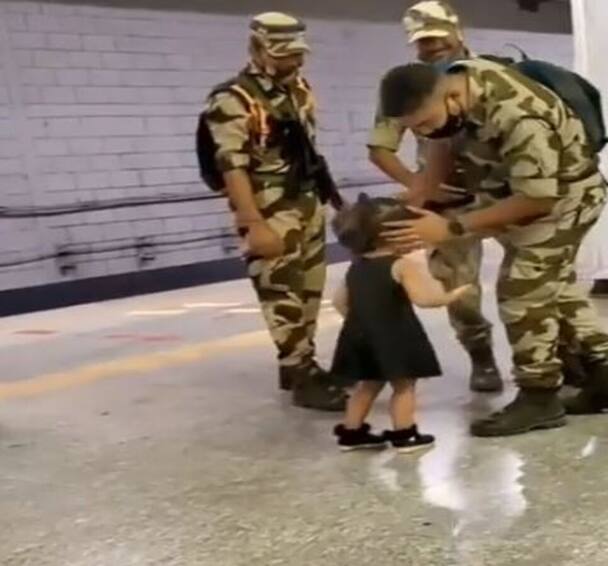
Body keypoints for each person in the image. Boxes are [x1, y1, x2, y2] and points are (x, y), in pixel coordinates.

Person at [378, 62, 608, 437]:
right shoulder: (453, 90)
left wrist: (452, 227)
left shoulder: (519, 115)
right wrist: (424, 191)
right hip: (513, 193)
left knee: (522, 290)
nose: (422, 132)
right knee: (556, 288)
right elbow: (442, 140)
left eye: (424, 122)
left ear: (453, 97)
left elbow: (539, 200)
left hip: (565, 200)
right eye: (414, 128)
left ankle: (540, 397)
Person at [204, 12, 345, 411]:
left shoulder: (299, 89)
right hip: (268, 208)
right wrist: (252, 223)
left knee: (309, 291)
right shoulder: (232, 98)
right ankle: (301, 373)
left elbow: (305, 148)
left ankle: (299, 362)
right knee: (280, 291)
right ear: (257, 49)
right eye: (283, 55)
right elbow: (231, 165)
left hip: (305, 201)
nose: (294, 62)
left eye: (298, 54)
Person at [367, 1, 505, 393]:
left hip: (502, 193)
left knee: (533, 280)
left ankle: (562, 355)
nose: (431, 47)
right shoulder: (409, 87)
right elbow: (380, 148)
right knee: (459, 291)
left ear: (457, 31)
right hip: (449, 203)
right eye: (422, 42)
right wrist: (420, 184)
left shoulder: (490, 74)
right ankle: (482, 357)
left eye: (436, 37)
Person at [330, 194, 471, 453]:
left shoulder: (356, 267)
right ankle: (404, 433)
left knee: (367, 384)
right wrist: (450, 294)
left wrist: (362, 319)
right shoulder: (401, 265)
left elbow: (339, 302)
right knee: (404, 386)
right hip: (394, 335)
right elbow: (425, 299)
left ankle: (351, 433)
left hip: (361, 335)